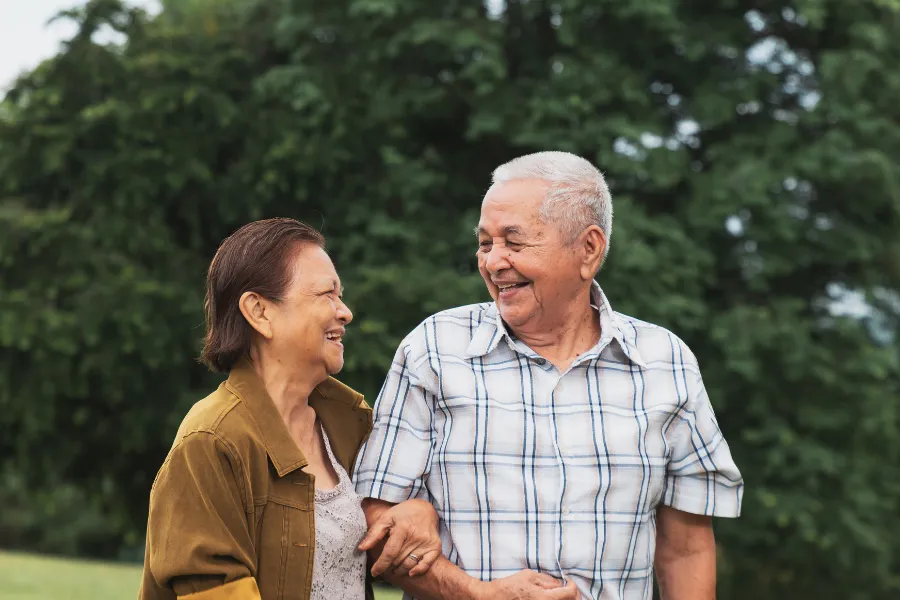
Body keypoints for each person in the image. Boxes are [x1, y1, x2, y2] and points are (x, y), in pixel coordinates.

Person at [354, 152, 745, 600]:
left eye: (514, 243)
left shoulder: (664, 362)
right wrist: (477, 594)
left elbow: (686, 551)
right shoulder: (435, 350)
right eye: (485, 244)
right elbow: (375, 522)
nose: (493, 262)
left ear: (589, 248)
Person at [139, 218, 441, 600]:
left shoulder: (350, 423)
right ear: (260, 312)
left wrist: (419, 512)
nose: (344, 312)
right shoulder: (212, 440)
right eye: (326, 295)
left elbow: (380, 533)